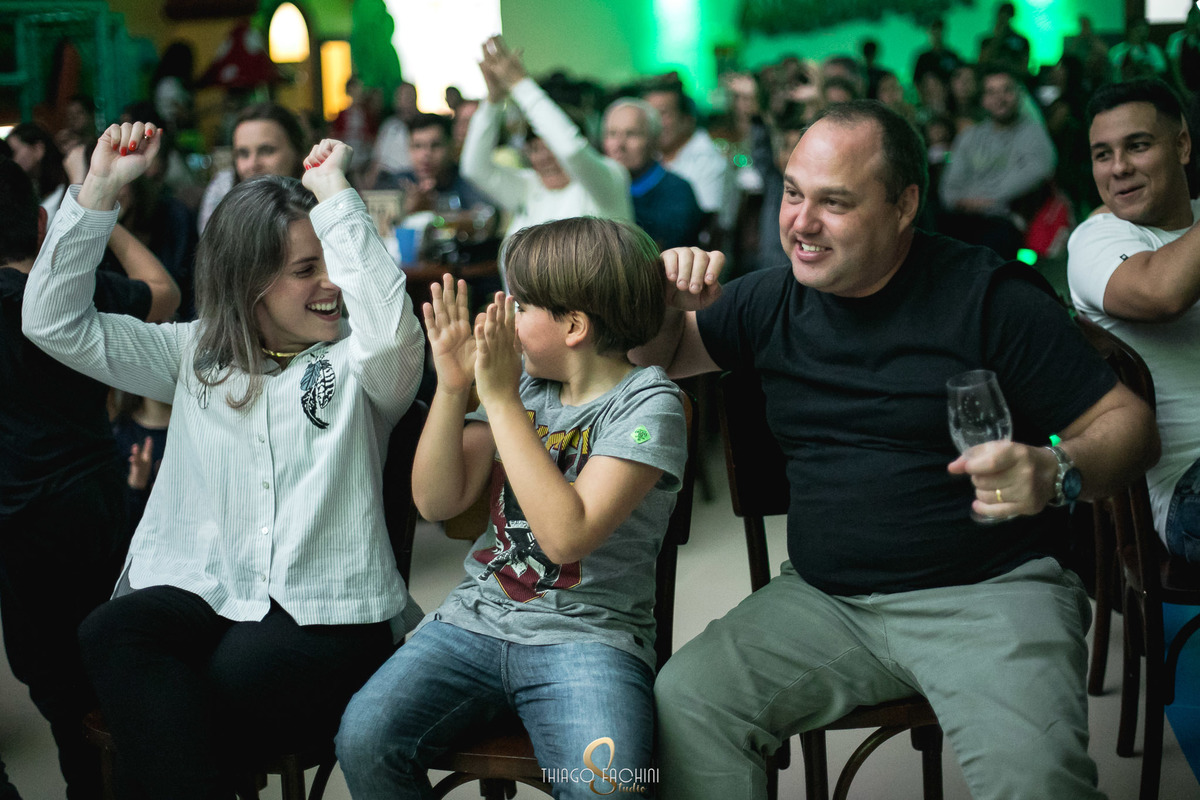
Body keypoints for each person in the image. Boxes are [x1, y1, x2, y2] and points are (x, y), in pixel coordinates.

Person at [631, 100, 1159, 799]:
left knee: (1037, 783)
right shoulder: (769, 299)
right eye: (792, 193)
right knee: (688, 700)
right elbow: (662, 357)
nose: (800, 223)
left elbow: (1130, 425)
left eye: (834, 202)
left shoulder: (989, 297)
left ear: (904, 204)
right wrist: (662, 303)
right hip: (824, 601)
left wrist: (1056, 467)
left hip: (990, 594)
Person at [21, 123, 425, 797]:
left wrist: (336, 196)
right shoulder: (194, 356)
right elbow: (53, 323)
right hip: (209, 589)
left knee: (201, 696)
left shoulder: (357, 364)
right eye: (305, 270)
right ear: (248, 282)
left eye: (331, 260)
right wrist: (99, 190)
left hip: (327, 607)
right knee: (109, 631)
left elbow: (391, 340)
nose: (331, 283)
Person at [336, 217, 687, 799]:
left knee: (608, 786)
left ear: (574, 325)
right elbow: (436, 500)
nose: (505, 320)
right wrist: (454, 387)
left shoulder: (648, 404)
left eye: (521, 307)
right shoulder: (523, 385)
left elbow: (566, 537)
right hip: (474, 620)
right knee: (364, 739)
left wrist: (498, 397)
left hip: (589, 637)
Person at [0, 155, 178, 800]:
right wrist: (107, 220)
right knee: (114, 663)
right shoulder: (68, 292)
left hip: (17, 524)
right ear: (40, 222)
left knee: (56, 685)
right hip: (93, 500)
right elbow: (163, 293)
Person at [1068, 79, 1200, 563]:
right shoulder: (1097, 239)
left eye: (1137, 146)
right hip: (1187, 488)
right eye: (1103, 155)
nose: (1119, 167)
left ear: (1181, 145)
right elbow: (1163, 293)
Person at [460, 36, 631, 248]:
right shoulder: (530, 187)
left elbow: (571, 151)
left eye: (550, 148)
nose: (543, 157)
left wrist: (520, 84)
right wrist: (493, 100)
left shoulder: (607, 179)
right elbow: (473, 168)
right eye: (534, 149)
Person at [939, 65, 1056, 258]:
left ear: (1018, 93)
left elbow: (1038, 171)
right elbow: (949, 187)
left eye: (1006, 90)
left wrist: (982, 200)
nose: (999, 98)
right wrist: (971, 201)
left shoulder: (1033, 132)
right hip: (961, 217)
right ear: (983, 99)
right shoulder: (970, 136)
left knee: (989, 249)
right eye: (991, 92)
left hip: (1004, 222)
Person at [602, 97, 704, 249]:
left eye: (631, 134)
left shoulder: (677, 192)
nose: (619, 145)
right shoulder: (597, 187)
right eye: (612, 134)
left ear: (655, 139)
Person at [197, 102, 307, 233]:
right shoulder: (223, 189)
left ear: (297, 151)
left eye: (267, 150)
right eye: (243, 153)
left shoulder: (321, 197)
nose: (253, 164)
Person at [643, 82, 736, 229]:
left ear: (687, 118)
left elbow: (704, 224)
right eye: (649, 115)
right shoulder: (649, 157)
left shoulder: (708, 160)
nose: (655, 122)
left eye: (663, 113)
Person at [7, 122, 69, 228]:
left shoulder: (65, 189)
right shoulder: (34, 189)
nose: (11, 160)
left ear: (38, 149)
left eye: (14, 152)